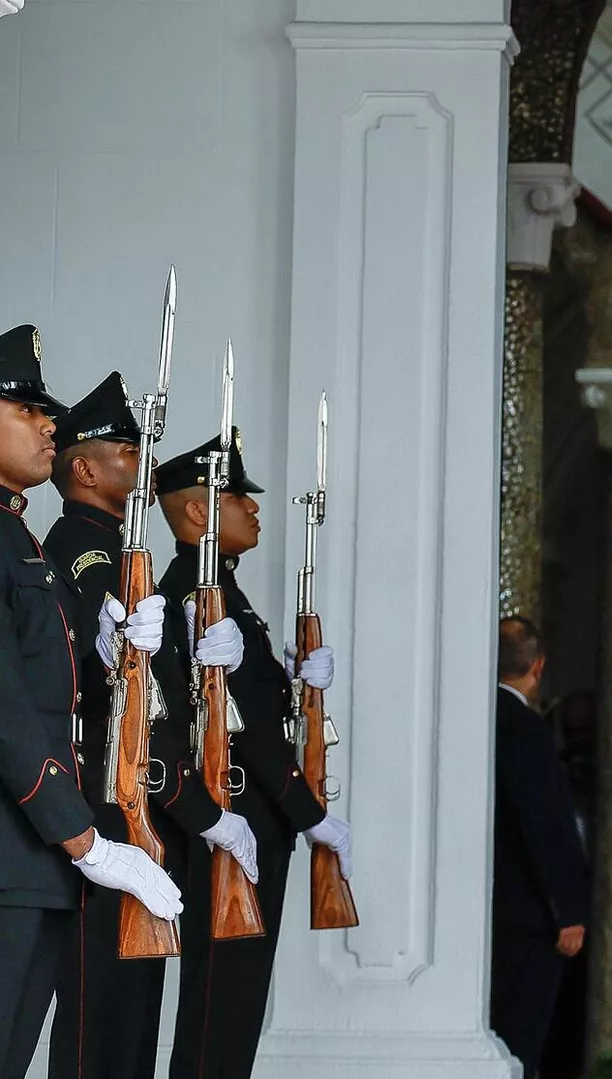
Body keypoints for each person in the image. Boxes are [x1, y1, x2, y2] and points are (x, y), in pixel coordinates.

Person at [43, 374, 260, 1079]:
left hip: (142, 811)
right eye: (127, 453)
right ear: (84, 469)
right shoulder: (85, 546)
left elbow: (163, 702)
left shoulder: (111, 547)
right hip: (109, 808)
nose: (142, 465)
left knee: (131, 1029)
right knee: (101, 1030)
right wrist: (199, 810)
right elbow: (126, 704)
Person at [0, 325, 181, 1079]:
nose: (49, 423)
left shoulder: (22, 539)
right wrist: (85, 837)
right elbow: (6, 707)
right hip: (19, 850)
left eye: (50, 412)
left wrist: (109, 647)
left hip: (32, 859)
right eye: (26, 407)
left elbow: (51, 680)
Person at [154, 427, 352, 1079]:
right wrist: (307, 810)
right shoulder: (194, 593)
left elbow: (250, 708)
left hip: (253, 819)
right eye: (238, 496)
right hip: (233, 819)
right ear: (196, 511)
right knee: (219, 1015)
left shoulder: (226, 593)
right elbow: (245, 733)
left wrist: (297, 677)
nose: (254, 507)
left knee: (235, 1016)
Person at [491, 617, 589, 1079]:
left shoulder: (476, 718)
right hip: (530, 919)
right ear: (539, 666)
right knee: (520, 1051)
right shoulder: (526, 729)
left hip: (483, 914)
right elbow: (545, 826)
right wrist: (568, 911)